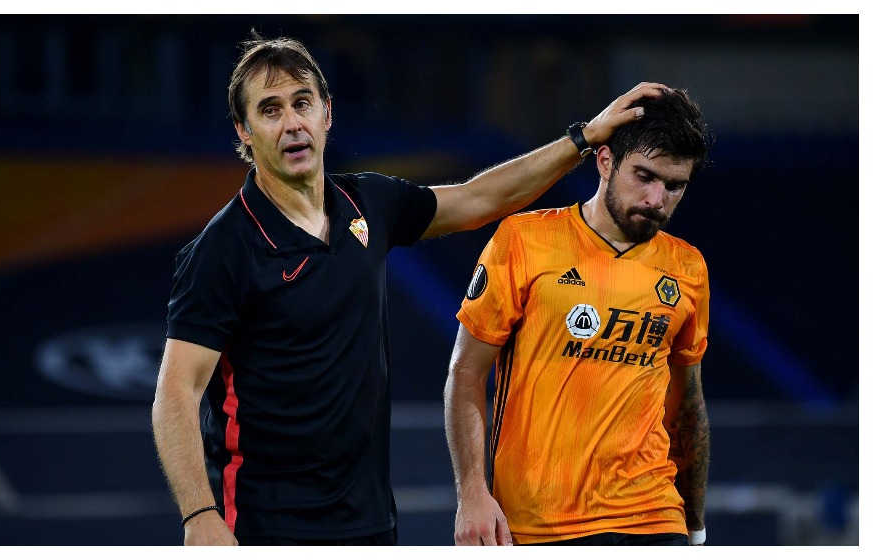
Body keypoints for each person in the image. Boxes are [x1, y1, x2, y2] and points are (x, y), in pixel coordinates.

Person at [150, 29, 668, 546]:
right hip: (265, 527)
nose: (292, 123)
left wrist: (583, 139)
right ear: (244, 131)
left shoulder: (368, 204)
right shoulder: (222, 249)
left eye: (302, 103)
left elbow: (477, 199)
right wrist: (200, 515)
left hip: (370, 523)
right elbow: (176, 392)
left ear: (327, 113)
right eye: (270, 110)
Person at [445, 87, 714, 546]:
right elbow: (466, 373)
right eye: (644, 176)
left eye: (674, 186)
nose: (656, 199)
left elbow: (687, 404)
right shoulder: (524, 241)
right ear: (605, 161)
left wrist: (695, 524)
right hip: (539, 523)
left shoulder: (688, 267)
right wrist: (471, 492)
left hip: (652, 516)